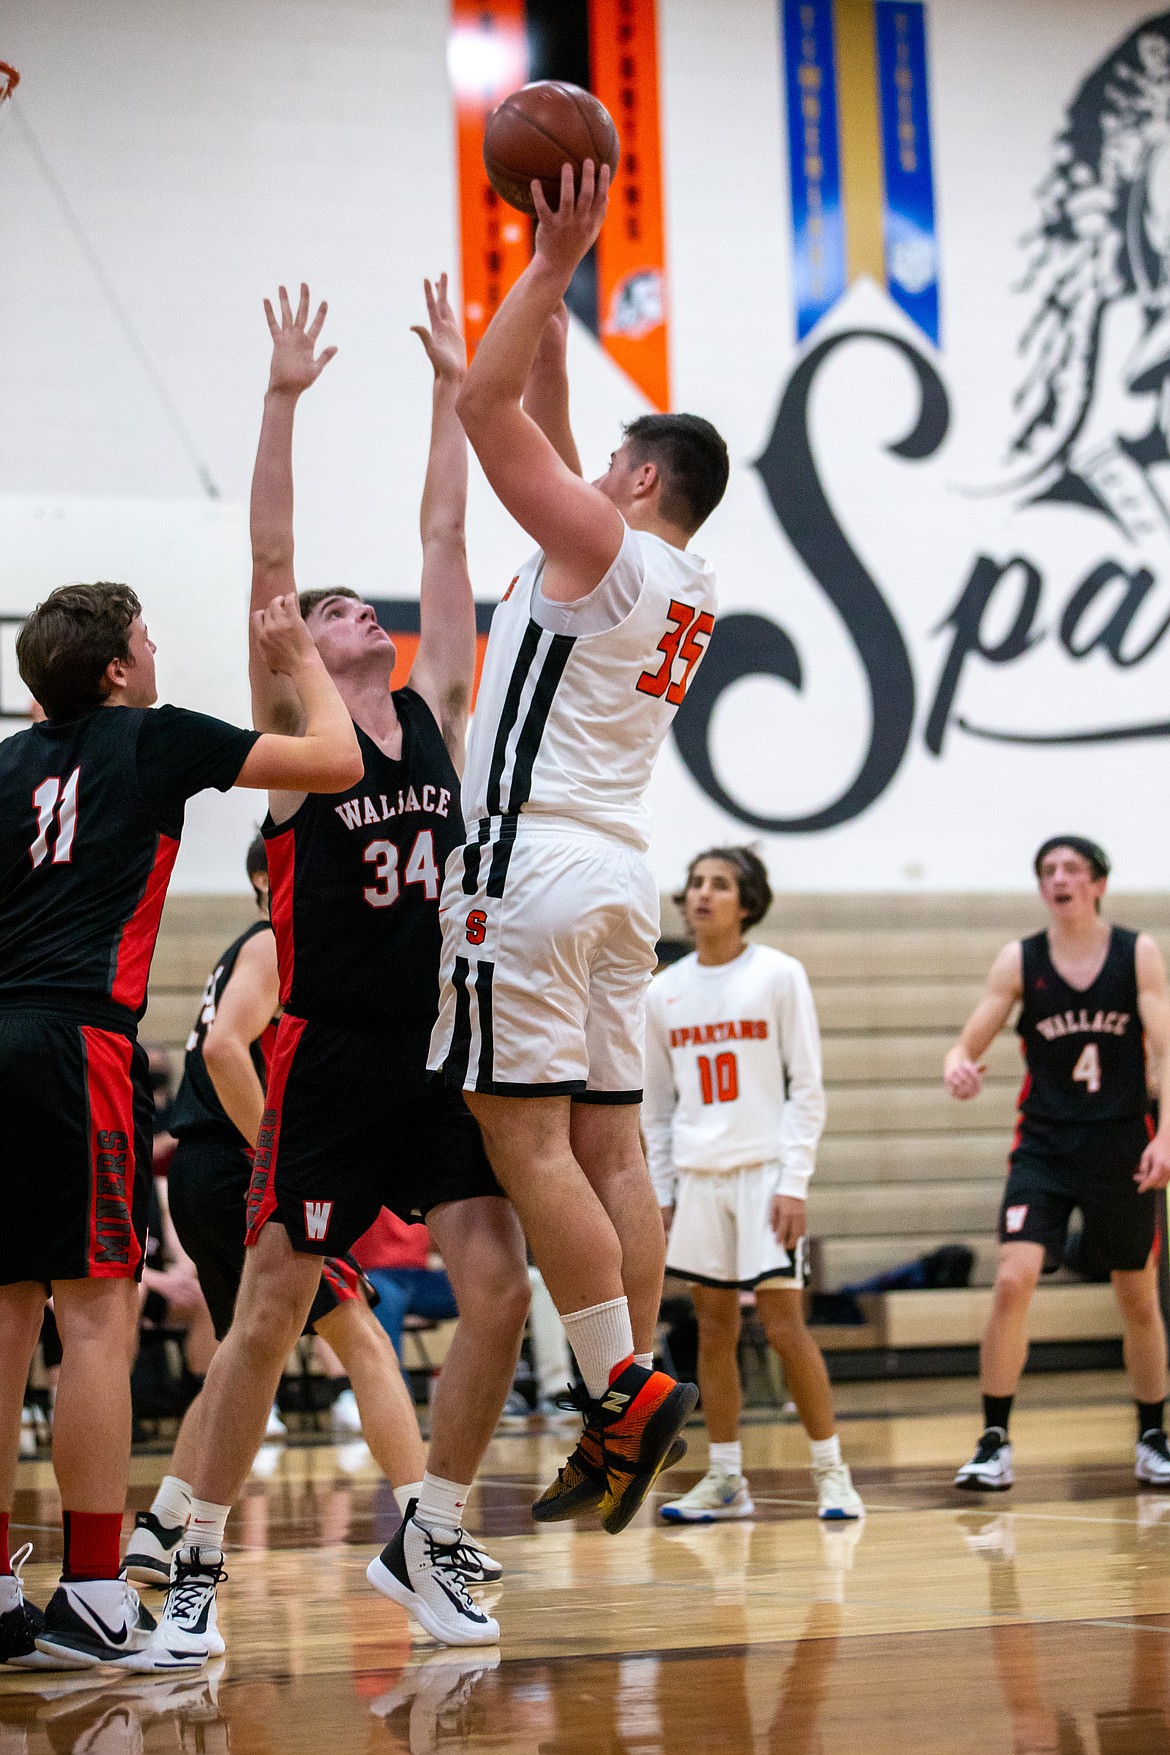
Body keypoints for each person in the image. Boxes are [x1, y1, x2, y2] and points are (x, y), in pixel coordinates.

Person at [144, 277, 530, 1663]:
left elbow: (444, 528)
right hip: (329, 1049)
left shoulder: (432, 709)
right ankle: (186, 1546)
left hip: (437, 1046)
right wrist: (283, 398)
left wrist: (446, 389)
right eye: (322, 605)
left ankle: (431, 1524)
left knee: (495, 1280)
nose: (344, 601)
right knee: (269, 1312)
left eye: (352, 601)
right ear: (298, 646)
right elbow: (267, 560)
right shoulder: (304, 730)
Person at [420, 157, 727, 1588]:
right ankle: (631, 1390)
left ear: (642, 481)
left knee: (525, 1144)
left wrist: (543, 270)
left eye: (610, 456)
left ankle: (621, 1393)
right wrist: (555, 269)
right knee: (612, 1145)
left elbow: (487, 415)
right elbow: (536, 407)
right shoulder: (685, 583)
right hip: (618, 875)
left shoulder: (599, 546)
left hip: (523, 859)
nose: (587, 464)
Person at [0, 579, 360, 1671]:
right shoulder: (151, 740)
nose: (157, 655)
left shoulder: (7, 765)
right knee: (97, 1318)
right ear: (117, 669)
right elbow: (335, 763)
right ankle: (102, 1592)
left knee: (5, 1318)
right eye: (148, 640)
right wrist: (302, 662)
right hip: (79, 1043)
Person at [125, 835, 502, 1591]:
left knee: (243, 1353)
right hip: (239, 1167)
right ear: (272, 878)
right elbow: (228, 1049)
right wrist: (281, 1153)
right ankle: (425, 1528)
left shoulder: (256, 947)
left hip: (210, 1168)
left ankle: (162, 1521)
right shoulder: (271, 939)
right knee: (360, 1336)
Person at [644, 848, 864, 1524]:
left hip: (766, 1176)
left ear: (748, 902)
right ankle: (727, 1478)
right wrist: (663, 1190)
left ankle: (832, 1472)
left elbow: (808, 1086)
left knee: (784, 1326)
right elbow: (654, 1108)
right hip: (700, 1179)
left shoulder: (778, 974)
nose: (702, 894)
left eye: (720, 884)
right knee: (711, 1329)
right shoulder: (662, 991)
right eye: (696, 883)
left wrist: (793, 1180)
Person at [944, 835, 1170, 1490]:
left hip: (1124, 1145)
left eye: (1072, 868)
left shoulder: (1137, 952)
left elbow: (1165, 1051)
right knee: (1014, 1278)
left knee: (1136, 1293)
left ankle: (1153, 1433)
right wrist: (958, 1068)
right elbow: (966, 1042)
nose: (1059, 878)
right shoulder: (1022, 958)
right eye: (1048, 870)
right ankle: (994, 1438)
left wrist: (1165, 1138)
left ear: (1098, 882)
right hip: (1044, 1146)